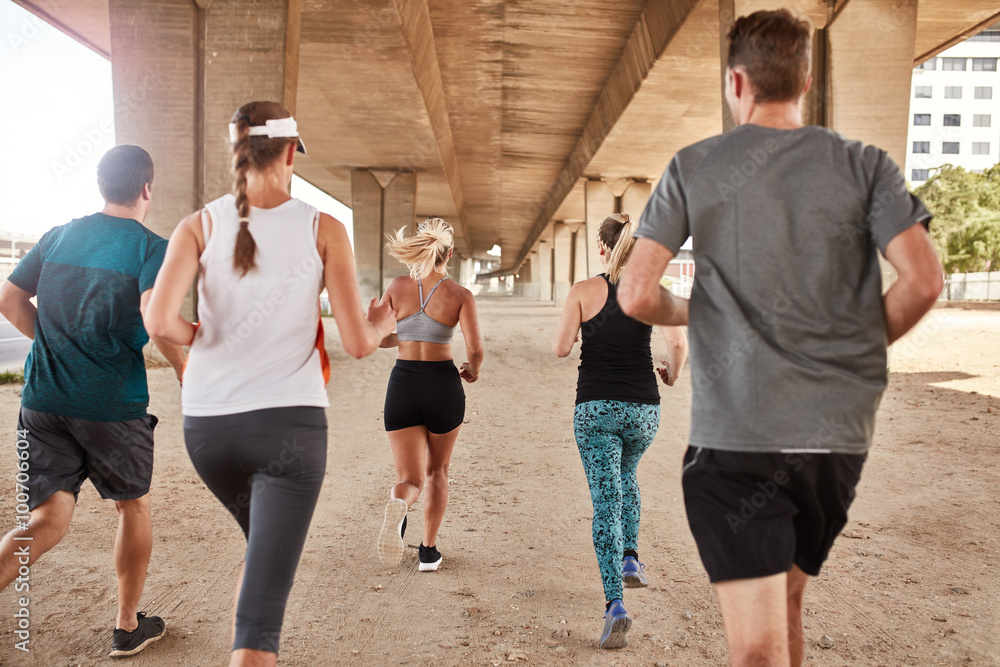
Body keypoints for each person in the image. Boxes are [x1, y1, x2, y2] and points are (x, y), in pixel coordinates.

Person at [617, 10, 944, 667]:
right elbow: (924, 280)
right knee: (787, 604)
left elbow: (635, 294)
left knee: (756, 651)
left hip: (738, 435)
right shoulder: (865, 165)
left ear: (736, 82)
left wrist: (699, 313)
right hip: (835, 438)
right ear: (807, 79)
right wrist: (847, 346)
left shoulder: (694, 167)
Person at [143, 101, 395, 667]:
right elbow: (356, 343)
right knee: (260, 629)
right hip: (289, 430)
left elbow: (158, 323)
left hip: (208, 431)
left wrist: (202, 332)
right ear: (289, 152)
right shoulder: (323, 227)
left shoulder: (198, 224)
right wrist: (383, 323)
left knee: (261, 559)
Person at [0, 145, 184, 657]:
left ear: (101, 186)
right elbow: (156, 315)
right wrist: (184, 368)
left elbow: (10, 300)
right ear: (146, 188)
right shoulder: (152, 247)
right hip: (111, 406)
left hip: (43, 400)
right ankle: (127, 627)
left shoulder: (58, 235)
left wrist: (56, 346)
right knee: (132, 506)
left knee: (46, 522)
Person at [551, 213, 687, 649]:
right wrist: (670, 375)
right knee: (627, 475)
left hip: (595, 410)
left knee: (605, 501)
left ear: (603, 248)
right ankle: (630, 556)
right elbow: (679, 343)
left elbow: (559, 348)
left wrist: (579, 332)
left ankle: (615, 605)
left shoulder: (583, 290)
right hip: (644, 410)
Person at [376, 217, 483, 572]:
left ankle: (399, 504)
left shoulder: (398, 286)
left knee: (409, 479)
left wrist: (403, 336)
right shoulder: (460, 295)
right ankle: (428, 551)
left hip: (403, 383)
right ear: (449, 253)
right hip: (442, 385)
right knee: (437, 471)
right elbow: (476, 349)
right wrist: (472, 370)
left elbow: (380, 338)